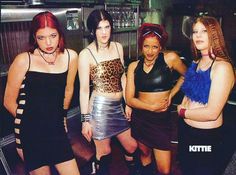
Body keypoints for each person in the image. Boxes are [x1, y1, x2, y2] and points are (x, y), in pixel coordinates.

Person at [4, 11, 80, 175]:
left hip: (56, 129)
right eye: (41, 37)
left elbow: (68, 90)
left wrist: (63, 116)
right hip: (30, 132)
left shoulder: (71, 57)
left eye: (53, 35)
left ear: (59, 33)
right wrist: (32, 124)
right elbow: (8, 101)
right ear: (34, 37)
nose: (48, 42)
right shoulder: (24, 60)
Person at [78, 9, 138, 175]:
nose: (104, 32)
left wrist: (128, 102)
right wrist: (85, 120)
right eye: (99, 28)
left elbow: (123, 78)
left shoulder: (118, 47)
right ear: (92, 31)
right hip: (100, 109)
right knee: (104, 153)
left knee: (132, 146)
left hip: (118, 107)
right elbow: (83, 90)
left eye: (107, 27)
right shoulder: (85, 54)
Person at [126, 23, 187, 175]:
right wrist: (151, 107)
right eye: (146, 46)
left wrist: (171, 94)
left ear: (161, 47)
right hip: (141, 117)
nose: (150, 51)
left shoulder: (170, 59)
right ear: (141, 46)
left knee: (164, 170)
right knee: (145, 156)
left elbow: (188, 75)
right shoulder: (134, 66)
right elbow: (129, 99)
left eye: (155, 47)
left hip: (161, 120)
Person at [177, 16, 235, 175]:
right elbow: (187, 93)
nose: (198, 35)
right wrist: (183, 105)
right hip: (186, 131)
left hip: (206, 138)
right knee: (187, 169)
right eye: (195, 31)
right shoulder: (196, 62)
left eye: (204, 31)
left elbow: (212, 112)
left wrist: (182, 112)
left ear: (214, 34)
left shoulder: (222, 66)